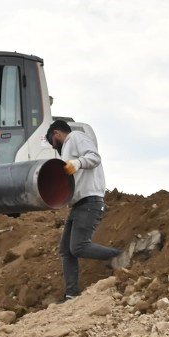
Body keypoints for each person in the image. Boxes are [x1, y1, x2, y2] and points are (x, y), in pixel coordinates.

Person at [49, 118, 123, 302]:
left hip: (90, 201)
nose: (52, 146)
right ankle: (71, 294)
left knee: (78, 246)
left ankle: (120, 255)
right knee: (66, 250)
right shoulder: (67, 148)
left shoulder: (76, 137)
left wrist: (78, 163)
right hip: (78, 204)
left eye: (52, 141)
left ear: (57, 134)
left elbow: (95, 157)